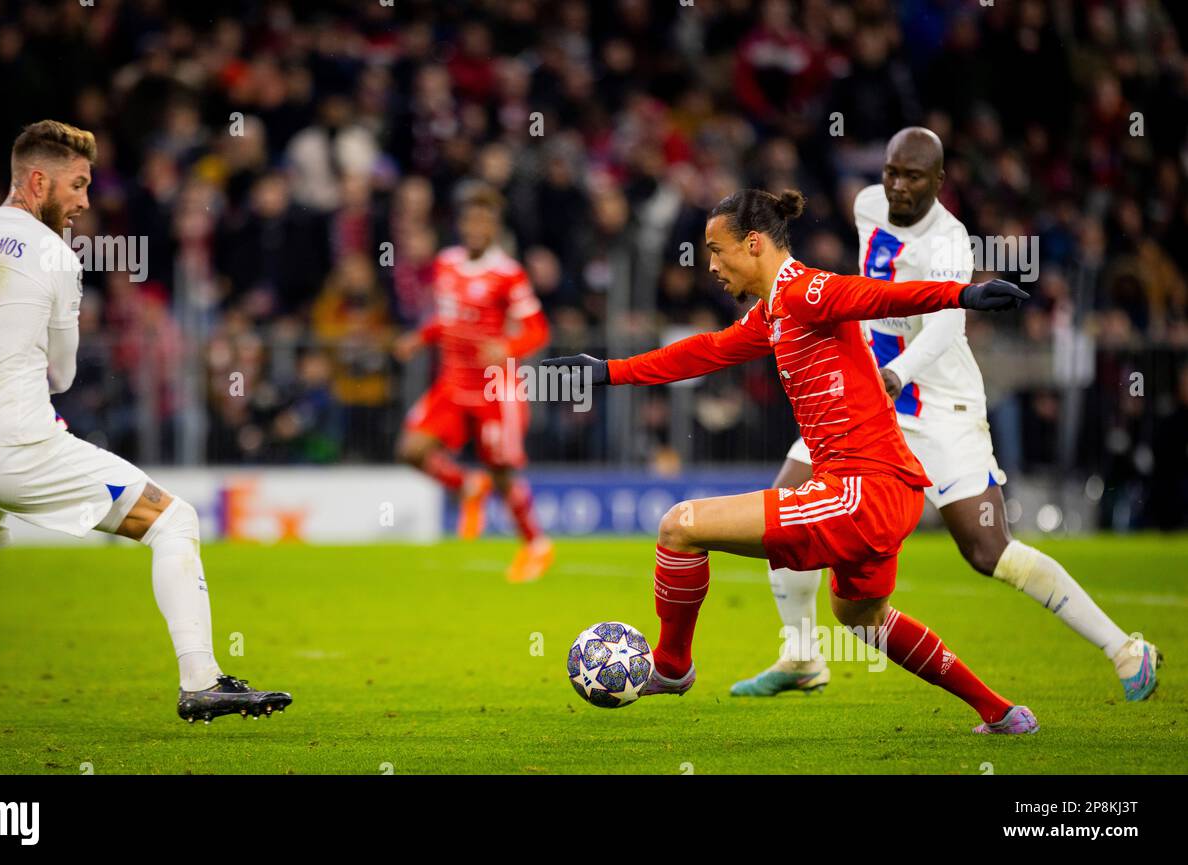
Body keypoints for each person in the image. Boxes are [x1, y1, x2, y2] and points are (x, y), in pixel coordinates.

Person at [544, 188, 1040, 733]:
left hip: (860, 491)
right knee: (863, 618)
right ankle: (1000, 712)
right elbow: (704, 351)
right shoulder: (773, 313)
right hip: (883, 489)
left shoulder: (807, 291)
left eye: (716, 249)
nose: (709, 265)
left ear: (753, 243)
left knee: (680, 526)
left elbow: (875, 296)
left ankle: (671, 666)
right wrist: (609, 370)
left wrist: (964, 295)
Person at [730, 128, 1158, 702]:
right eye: (891, 172)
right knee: (783, 506)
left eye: (912, 176)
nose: (898, 186)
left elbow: (948, 323)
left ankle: (1125, 649)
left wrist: (897, 373)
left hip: (938, 406)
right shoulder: (866, 204)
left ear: (939, 181)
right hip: (864, 405)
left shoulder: (951, 241)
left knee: (988, 552)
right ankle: (803, 654)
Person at [0, 120, 290, 728]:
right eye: (78, 185)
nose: (86, 201)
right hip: (18, 447)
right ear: (38, 182)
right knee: (173, 520)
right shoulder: (54, 253)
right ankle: (201, 680)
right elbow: (60, 376)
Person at [394, 184, 554, 583]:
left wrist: (508, 347)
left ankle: (536, 544)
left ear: (494, 227)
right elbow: (449, 319)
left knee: (501, 473)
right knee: (411, 449)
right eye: (470, 220)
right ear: (462, 224)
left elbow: (538, 330)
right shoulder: (446, 263)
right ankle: (466, 485)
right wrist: (420, 337)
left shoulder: (507, 273)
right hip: (452, 383)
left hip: (494, 388)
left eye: (484, 221)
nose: (476, 227)